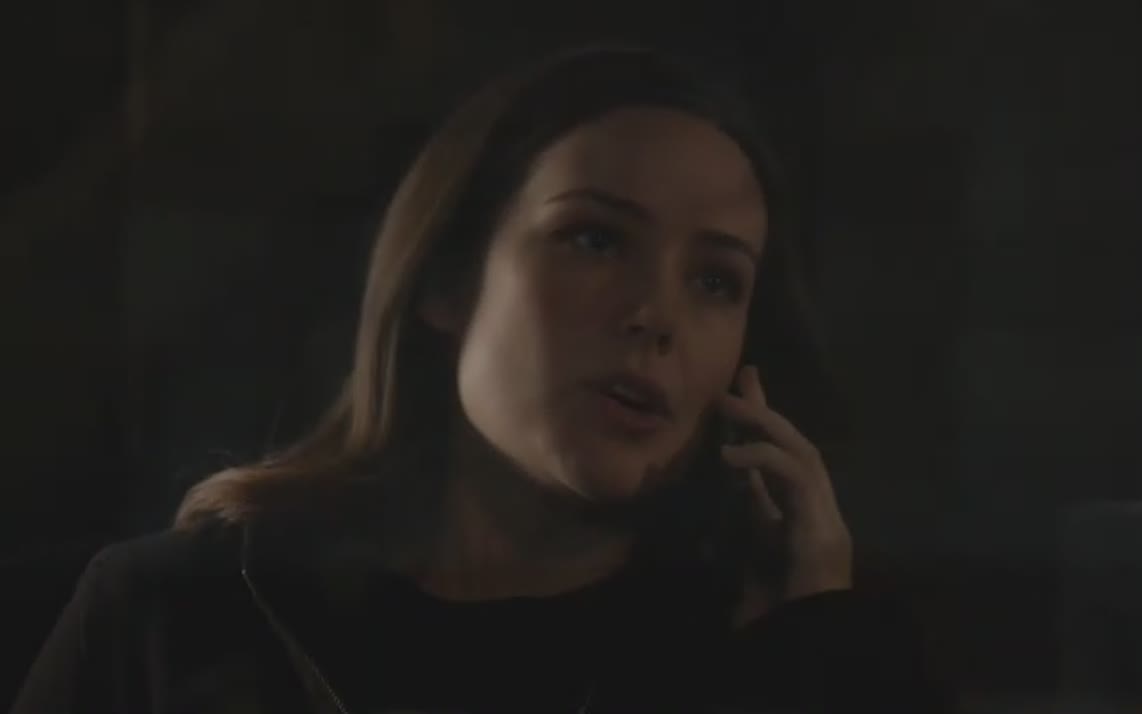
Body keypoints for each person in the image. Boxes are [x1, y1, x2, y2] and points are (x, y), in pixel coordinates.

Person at [12, 46, 949, 714]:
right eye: (595, 238)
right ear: (447, 280)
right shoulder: (177, 618)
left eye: (715, 281)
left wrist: (818, 649)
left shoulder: (789, 652)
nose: (655, 314)